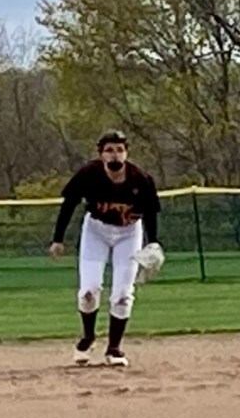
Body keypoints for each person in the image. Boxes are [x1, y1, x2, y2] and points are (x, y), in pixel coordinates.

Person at [49, 130, 161, 367]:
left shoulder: (140, 179)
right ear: (101, 154)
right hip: (96, 231)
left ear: (126, 153)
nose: (115, 155)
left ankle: (114, 348)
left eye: (120, 149)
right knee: (88, 291)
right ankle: (88, 337)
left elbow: (150, 213)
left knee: (122, 295)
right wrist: (58, 238)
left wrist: (152, 242)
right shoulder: (89, 174)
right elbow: (69, 204)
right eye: (109, 150)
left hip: (129, 233)